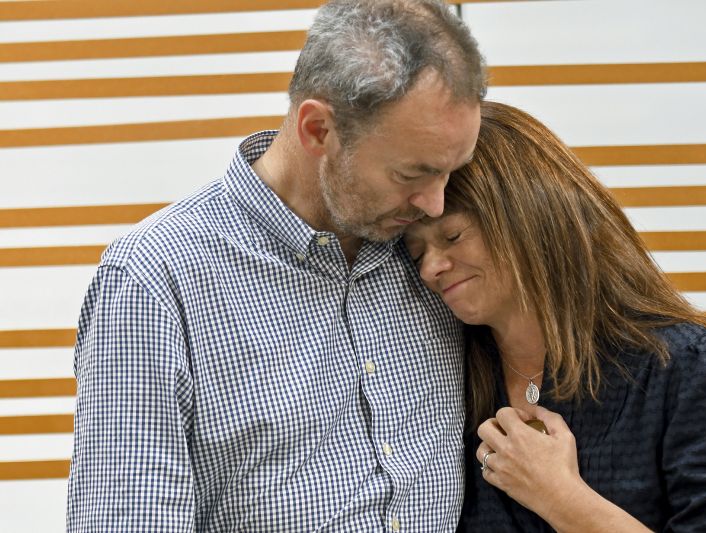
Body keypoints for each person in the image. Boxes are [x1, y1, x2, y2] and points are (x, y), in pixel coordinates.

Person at [67, 1, 485, 531]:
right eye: (412, 174)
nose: (434, 202)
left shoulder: (432, 257)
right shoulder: (155, 279)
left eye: (450, 171)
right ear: (317, 130)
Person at [404, 101, 706, 532]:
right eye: (417, 252)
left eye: (453, 235)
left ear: (533, 215)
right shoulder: (442, 385)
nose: (431, 268)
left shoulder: (704, 373)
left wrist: (560, 497)